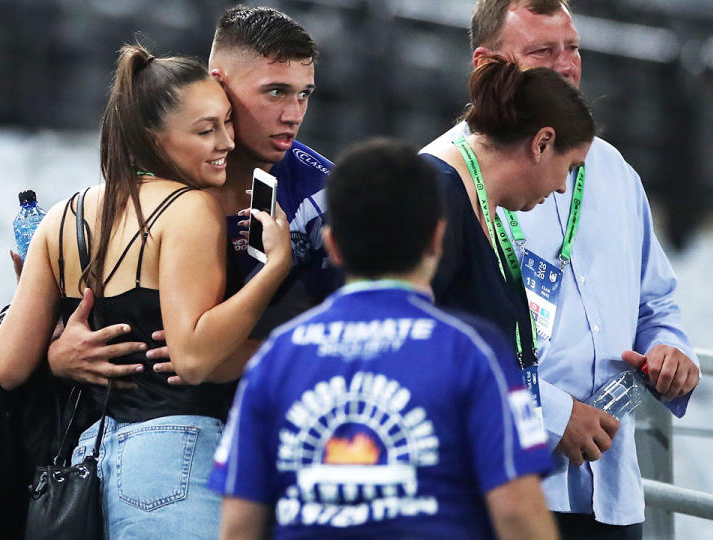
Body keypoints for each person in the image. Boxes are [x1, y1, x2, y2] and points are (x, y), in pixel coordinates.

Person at [421, 1, 701, 537]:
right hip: (503, 488)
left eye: (573, 48)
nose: (567, 65)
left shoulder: (615, 172)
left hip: (613, 492)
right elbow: (436, 343)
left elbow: (657, 302)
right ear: (488, 66)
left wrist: (673, 351)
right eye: (543, 51)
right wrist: (553, 415)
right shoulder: (443, 179)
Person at [0, 45, 291, 538]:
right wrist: (275, 268)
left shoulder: (59, 217)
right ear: (154, 139)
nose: (227, 143)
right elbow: (192, 357)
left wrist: (58, 351)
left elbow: (8, 366)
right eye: (205, 130)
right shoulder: (189, 209)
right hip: (173, 460)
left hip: (86, 462)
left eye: (226, 123)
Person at [210, 138, 558, 540]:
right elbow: (518, 513)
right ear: (436, 238)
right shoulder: (473, 353)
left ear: (333, 245)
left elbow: (239, 524)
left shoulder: (275, 357)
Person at [47, 5, 338, 387]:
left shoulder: (326, 199)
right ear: (220, 84)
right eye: (276, 92)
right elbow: (72, 308)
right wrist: (56, 354)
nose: (294, 114)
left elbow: (362, 334)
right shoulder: (154, 182)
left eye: (304, 94)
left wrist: (233, 358)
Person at [420, 55, 594, 422]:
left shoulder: (481, 202)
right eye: (570, 168)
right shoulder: (436, 193)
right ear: (543, 143)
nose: (564, 187)